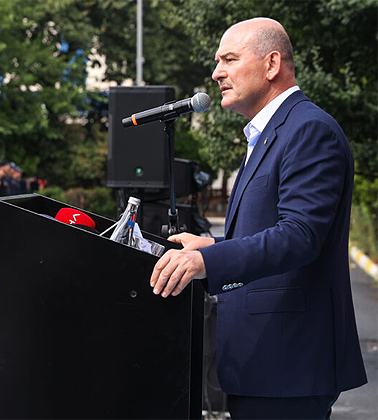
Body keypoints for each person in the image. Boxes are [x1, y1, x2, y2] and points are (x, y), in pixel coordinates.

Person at [149, 18, 366, 418]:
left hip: (289, 363)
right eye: (217, 62)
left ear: (271, 64)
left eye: (229, 59)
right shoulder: (270, 133)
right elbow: (268, 230)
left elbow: (300, 236)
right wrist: (212, 245)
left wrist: (206, 262)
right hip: (264, 362)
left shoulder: (308, 130)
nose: (216, 73)